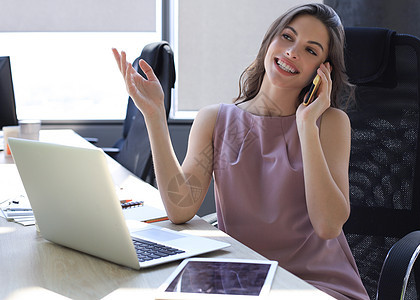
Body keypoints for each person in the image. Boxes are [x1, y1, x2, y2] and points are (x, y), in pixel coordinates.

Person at [113, 3, 369, 299]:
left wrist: (307, 125)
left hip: (317, 287)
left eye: (311, 50)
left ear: (322, 71)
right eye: (287, 37)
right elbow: (181, 207)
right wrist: (155, 116)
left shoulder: (330, 124)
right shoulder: (216, 121)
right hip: (244, 282)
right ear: (270, 41)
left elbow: (328, 226)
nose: (292, 52)